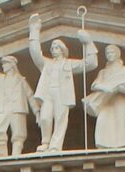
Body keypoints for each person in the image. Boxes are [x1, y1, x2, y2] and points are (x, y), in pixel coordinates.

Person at [28, 14, 98, 153]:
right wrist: (34, 31)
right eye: (52, 47)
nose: (54, 49)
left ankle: (55, 145)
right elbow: (35, 53)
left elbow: (90, 64)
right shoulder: (46, 63)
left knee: (60, 119)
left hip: (62, 94)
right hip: (48, 93)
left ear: (63, 50)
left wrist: (88, 42)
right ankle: (45, 142)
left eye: (57, 47)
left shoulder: (68, 64)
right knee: (45, 117)